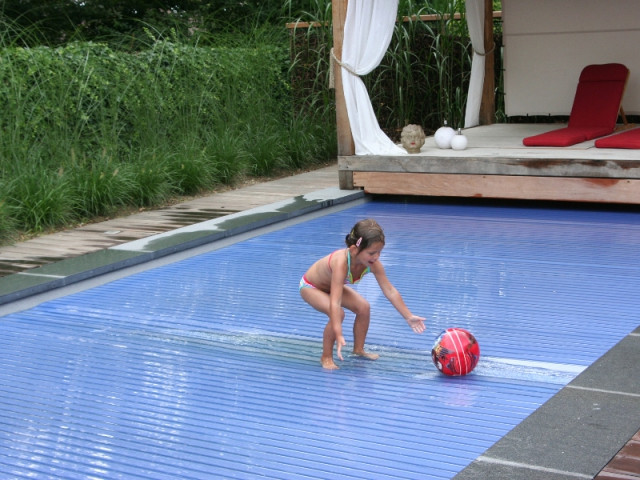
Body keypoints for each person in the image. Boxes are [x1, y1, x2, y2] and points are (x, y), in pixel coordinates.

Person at [299, 218, 426, 369]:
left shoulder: (373, 264)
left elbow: (390, 290)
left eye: (379, 252)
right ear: (354, 250)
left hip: (330, 286)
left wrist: (408, 316)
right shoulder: (340, 263)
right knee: (338, 314)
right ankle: (326, 356)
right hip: (311, 287)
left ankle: (358, 349)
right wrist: (338, 334)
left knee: (363, 307)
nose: (376, 257)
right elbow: (335, 301)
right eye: (372, 252)